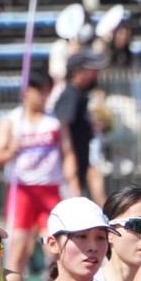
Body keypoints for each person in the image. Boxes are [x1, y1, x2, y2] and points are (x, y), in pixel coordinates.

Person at [0, 72, 80, 281]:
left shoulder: (55, 122)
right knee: (18, 246)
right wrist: (11, 150)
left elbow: (68, 153)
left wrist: (73, 184)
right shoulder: (11, 122)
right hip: (22, 189)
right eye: (38, 92)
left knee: (54, 245)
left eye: (45, 92)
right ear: (26, 92)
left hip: (50, 188)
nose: (42, 97)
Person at [52, 52, 107, 202]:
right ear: (77, 72)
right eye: (92, 71)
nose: (96, 75)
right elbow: (64, 128)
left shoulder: (81, 95)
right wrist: (72, 169)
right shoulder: (71, 95)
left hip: (81, 159)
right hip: (71, 166)